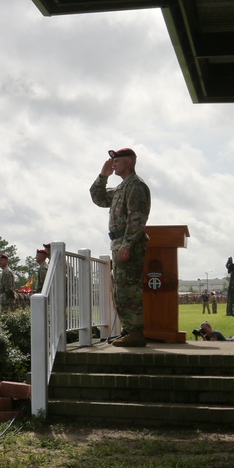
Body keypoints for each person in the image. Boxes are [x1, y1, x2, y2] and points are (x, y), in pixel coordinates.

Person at [90, 147, 151, 347]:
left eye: (117, 161)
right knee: (120, 289)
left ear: (130, 162)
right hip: (119, 242)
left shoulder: (136, 186)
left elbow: (137, 218)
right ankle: (130, 330)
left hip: (128, 243)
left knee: (128, 289)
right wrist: (102, 176)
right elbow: (98, 198)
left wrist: (127, 244)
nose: (113, 164)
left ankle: (135, 332)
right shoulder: (121, 188)